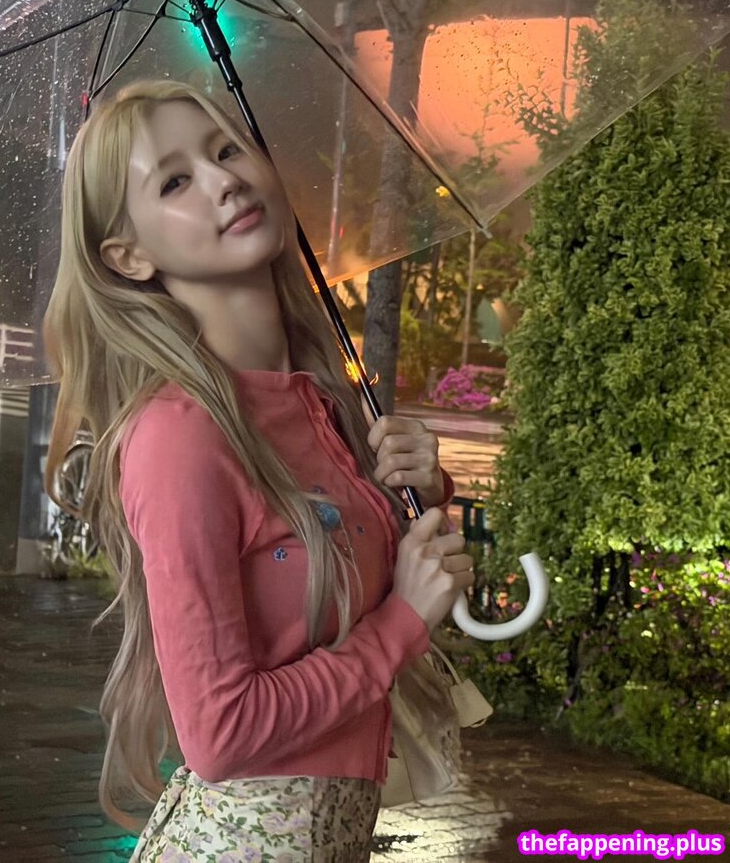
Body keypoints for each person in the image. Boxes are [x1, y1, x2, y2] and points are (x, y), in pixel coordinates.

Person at [42, 78, 475, 862]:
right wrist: (401, 625)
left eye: (227, 150)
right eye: (175, 181)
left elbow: (332, 589)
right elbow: (221, 734)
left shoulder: (316, 404)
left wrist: (418, 495)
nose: (223, 180)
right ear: (129, 256)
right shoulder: (178, 437)